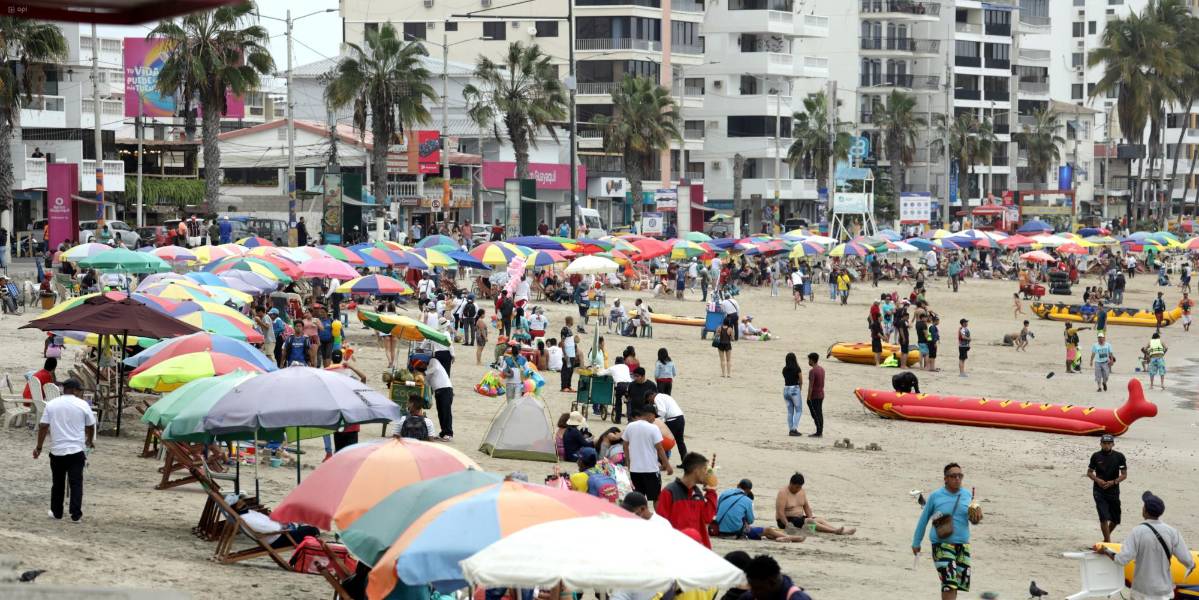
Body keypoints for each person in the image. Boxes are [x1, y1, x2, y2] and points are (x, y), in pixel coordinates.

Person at [1096, 491, 1194, 600]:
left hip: (1141, 592)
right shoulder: (1172, 532)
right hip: (1164, 591)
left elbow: (1121, 559)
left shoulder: (1137, 532)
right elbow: (1188, 561)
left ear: (1145, 511)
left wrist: (1106, 550)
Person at [33, 379, 95, 522]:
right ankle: (75, 515)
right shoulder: (82, 404)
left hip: (57, 451)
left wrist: (39, 447)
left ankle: (57, 512)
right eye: (79, 390)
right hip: (76, 450)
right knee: (76, 483)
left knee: (58, 483)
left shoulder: (52, 404)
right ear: (74, 390)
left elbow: (43, 426)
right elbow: (91, 426)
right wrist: (89, 441)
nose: (80, 393)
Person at [911, 463, 974, 599]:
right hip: (941, 545)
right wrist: (916, 542)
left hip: (963, 546)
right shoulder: (936, 496)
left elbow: (972, 519)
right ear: (945, 479)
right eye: (953, 476)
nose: (957, 479)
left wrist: (976, 517)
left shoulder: (968, 495)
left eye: (960, 476)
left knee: (955, 585)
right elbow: (924, 519)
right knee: (949, 584)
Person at [656, 452, 718, 548]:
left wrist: (711, 492)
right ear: (696, 471)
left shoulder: (697, 493)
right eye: (705, 469)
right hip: (676, 547)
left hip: (697, 546)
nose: (707, 473)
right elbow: (661, 523)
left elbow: (707, 518)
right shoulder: (669, 492)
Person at [714, 479, 806, 543]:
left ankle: (777, 537)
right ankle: (789, 537)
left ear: (738, 485)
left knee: (765, 533)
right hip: (734, 533)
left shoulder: (724, 493)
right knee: (768, 530)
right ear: (749, 490)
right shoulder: (747, 500)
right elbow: (750, 520)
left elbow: (717, 511)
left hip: (718, 529)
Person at [774, 472, 856, 535]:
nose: (798, 489)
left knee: (819, 520)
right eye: (796, 487)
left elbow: (807, 508)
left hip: (799, 519)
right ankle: (834, 531)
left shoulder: (801, 491)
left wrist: (811, 519)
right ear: (791, 483)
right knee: (809, 521)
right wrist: (788, 525)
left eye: (800, 487)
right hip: (785, 521)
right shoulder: (783, 493)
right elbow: (780, 513)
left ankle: (838, 529)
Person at [622, 405, 673, 505]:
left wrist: (628, 462)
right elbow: (660, 449)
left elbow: (625, 446)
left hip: (635, 470)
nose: (655, 419)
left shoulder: (630, 426)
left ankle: (639, 519)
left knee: (638, 499)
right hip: (650, 469)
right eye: (654, 416)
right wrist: (667, 465)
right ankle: (657, 519)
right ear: (649, 415)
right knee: (656, 497)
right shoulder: (653, 428)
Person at [1088, 434, 1128, 543]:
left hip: (1113, 490)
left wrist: (1114, 482)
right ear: (1100, 444)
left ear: (1113, 444)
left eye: (1109, 443)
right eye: (1104, 443)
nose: (1106, 446)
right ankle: (1107, 541)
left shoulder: (1119, 457)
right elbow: (1090, 473)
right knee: (1103, 516)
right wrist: (1098, 480)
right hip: (1099, 490)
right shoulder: (1096, 456)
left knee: (1115, 519)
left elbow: (1124, 475)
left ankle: (1106, 539)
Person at [739, 554, 813, 600]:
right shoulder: (749, 597)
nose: (753, 592)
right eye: (751, 587)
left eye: (758, 588)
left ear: (772, 582)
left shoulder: (797, 598)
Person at [649, 391, 686, 460]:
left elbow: (662, 411)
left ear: (651, 396)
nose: (651, 403)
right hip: (680, 418)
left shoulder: (657, 398)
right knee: (680, 441)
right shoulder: (665, 396)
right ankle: (685, 462)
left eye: (649, 400)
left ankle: (663, 460)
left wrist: (656, 421)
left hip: (672, 420)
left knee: (664, 439)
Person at [426, 356, 454, 441]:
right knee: (441, 413)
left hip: (445, 389)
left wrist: (424, 372)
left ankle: (448, 433)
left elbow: (434, 368)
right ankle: (443, 433)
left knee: (446, 412)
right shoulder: (427, 368)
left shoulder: (433, 361)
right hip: (438, 391)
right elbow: (426, 382)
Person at [782, 353, 803, 437]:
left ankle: (791, 429)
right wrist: (800, 389)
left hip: (786, 389)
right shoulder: (797, 368)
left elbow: (786, 378)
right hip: (794, 389)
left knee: (790, 411)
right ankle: (794, 429)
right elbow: (801, 380)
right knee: (799, 410)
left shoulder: (784, 369)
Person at [806, 353, 824, 438]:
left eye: (809, 360)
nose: (808, 361)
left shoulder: (812, 371)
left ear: (812, 360)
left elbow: (811, 386)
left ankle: (818, 432)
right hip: (821, 394)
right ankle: (820, 431)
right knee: (819, 413)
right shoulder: (822, 369)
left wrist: (808, 397)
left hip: (815, 396)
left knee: (815, 414)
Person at [560, 316, 576, 392]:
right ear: (570, 321)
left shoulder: (570, 330)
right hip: (567, 353)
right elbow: (562, 342)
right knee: (566, 370)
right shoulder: (565, 330)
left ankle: (568, 386)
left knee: (570, 370)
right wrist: (565, 354)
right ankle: (564, 386)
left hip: (571, 353)